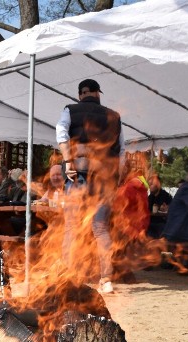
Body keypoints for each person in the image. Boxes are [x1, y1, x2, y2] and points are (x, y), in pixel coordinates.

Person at [56, 78, 124, 294]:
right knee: (101, 228)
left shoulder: (70, 110)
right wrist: (117, 178)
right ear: (97, 94)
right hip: (105, 179)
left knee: (72, 227)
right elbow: (121, 151)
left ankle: (68, 277)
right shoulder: (114, 116)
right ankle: (106, 280)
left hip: (78, 176)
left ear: (80, 94)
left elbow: (61, 132)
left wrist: (67, 161)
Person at [146, 174, 171, 238]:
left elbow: (172, 208)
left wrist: (167, 208)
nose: (149, 186)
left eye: (152, 184)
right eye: (149, 184)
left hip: (161, 223)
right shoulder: (150, 197)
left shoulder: (166, 196)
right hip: (150, 223)